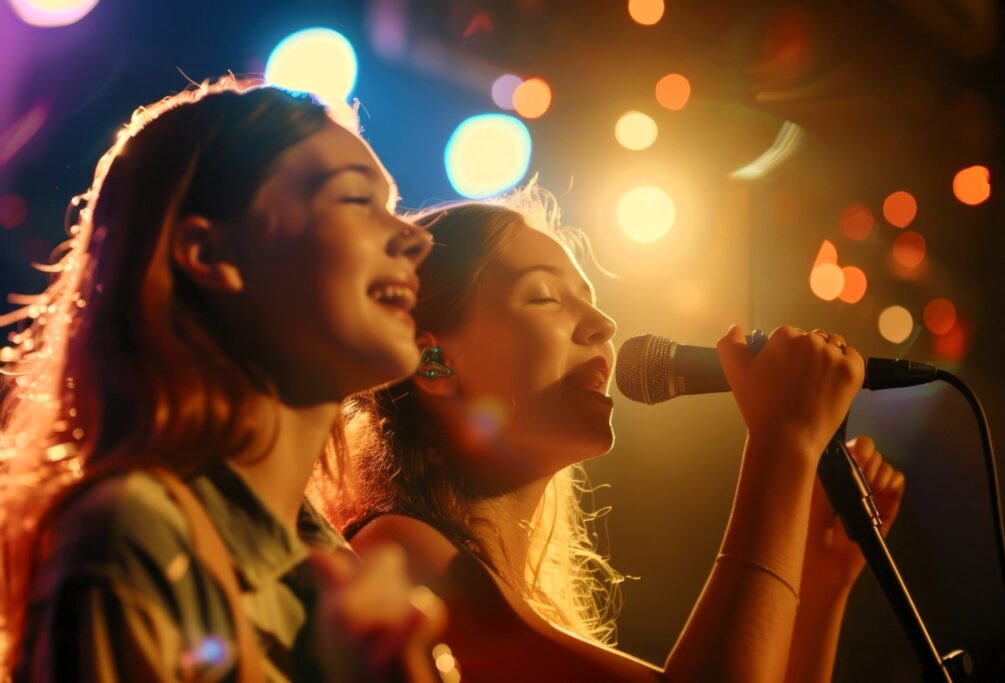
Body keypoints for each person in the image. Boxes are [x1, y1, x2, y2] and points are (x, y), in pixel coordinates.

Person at [332, 187, 906, 681]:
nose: (605, 326)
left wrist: (822, 582)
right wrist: (785, 444)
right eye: (545, 297)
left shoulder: (505, 592)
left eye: (594, 302)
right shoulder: (394, 554)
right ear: (432, 361)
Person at [0, 77, 443, 681]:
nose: (414, 238)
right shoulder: (138, 535)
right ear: (208, 255)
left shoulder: (330, 565)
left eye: (391, 208)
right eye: (355, 201)